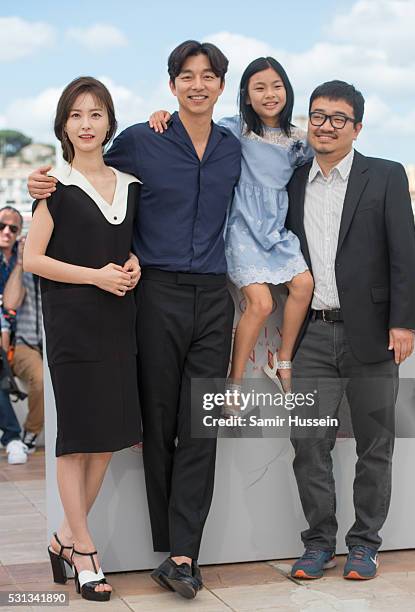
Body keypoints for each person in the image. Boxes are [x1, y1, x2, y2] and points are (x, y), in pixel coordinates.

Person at [28, 41, 241, 601]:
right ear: (171, 85)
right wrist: (37, 184)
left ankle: (183, 555)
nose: (198, 85)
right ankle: (120, 545)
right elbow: (83, 176)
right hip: (153, 298)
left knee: (201, 424)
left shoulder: (233, 146)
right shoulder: (143, 141)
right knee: (154, 423)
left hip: (214, 296)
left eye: (209, 76)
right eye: (187, 76)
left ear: (221, 85)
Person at [286, 80, 415, 581]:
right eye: (317, 116)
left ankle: (364, 544)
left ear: (356, 127)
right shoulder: (294, 180)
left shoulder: (383, 175)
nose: (325, 125)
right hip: (312, 337)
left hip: (374, 335)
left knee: (375, 444)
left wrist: (404, 321)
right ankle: (319, 543)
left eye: (338, 118)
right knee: (307, 446)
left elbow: (404, 253)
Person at [24, 76, 142, 602]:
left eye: (96, 114)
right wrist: (96, 275)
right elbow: (33, 260)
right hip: (72, 322)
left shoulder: (130, 184)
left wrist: (132, 265)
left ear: (109, 122)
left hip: (120, 320)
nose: (87, 124)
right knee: (75, 441)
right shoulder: (53, 188)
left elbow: (129, 245)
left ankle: (64, 538)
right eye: (76, 115)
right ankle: (86, 552)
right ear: (63, 125)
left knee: (109, 437)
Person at [149, 57, 314, 396]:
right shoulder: (232, 128)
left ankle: (283, 361)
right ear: (245, 95)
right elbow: (191, 124)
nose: (270, 94)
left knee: (304, 284)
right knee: (262, 303)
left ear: (288, 90)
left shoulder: (299, 140)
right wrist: (161, 114)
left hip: (274, 229)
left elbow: (327, 160)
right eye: (259, 88)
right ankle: (234, 384)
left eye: (277, 86)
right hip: (240, 228)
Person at [3, 237, 44, 454]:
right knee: (40, 379)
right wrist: (21, 262)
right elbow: (10, 303)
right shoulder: (22, 274)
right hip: (25, 345)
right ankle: (31, 432)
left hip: (53, 344)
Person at [0, 207, 29, 465]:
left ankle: (15, 437)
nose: (6, 232)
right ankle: (12, 437)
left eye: (13, 228)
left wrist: (20, 261)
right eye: (1, 226)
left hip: (20, 342)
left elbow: (14, 303)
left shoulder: (21, 263)